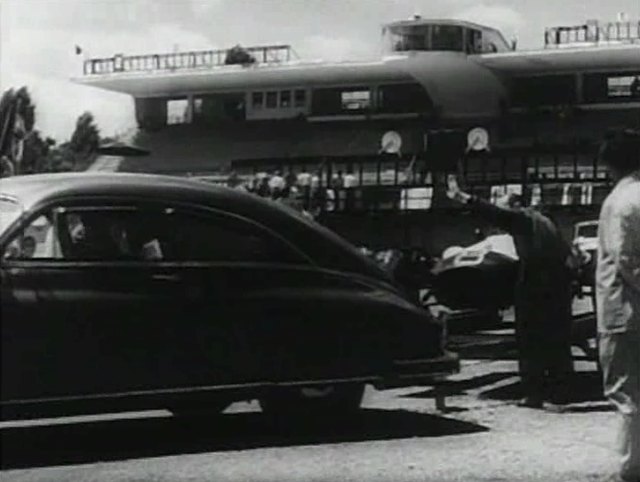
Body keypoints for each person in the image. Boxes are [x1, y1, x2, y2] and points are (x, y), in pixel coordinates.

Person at [447, 176, 575, 409]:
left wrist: (462, 197)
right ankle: (561, 392)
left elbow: (494, 213)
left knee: (529, 341)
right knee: (557, 341)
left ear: (516, 205)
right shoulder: (547, 221)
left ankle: (533, 394)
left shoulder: (522, 219)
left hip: (534, 288)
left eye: (505, 204)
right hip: (558, 287)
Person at [596, 128, 640, 482]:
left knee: (624, 394)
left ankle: (630, 469)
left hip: (622, 310)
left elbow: (624, 259)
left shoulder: (618, 202)